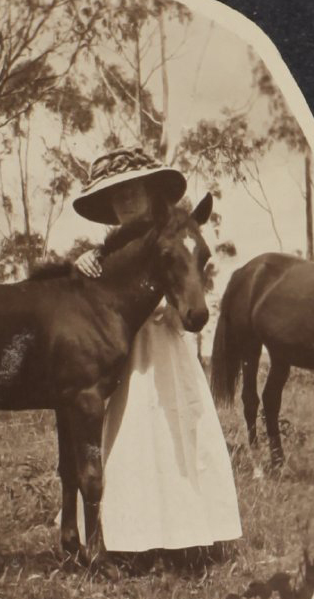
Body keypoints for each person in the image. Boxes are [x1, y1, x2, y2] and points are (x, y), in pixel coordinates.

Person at [71, 146, 242, 553]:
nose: (127, 201)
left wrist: (174, 307)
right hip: (124, 358)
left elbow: (189, 287)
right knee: (131, 437)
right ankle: (131, 536)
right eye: (118, 196)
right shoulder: (105, 255)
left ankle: (188, 533)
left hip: (165, 350)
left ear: (151, 194)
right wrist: (84, 261)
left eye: (134, 191)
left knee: (175, 431)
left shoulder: (172, 240)